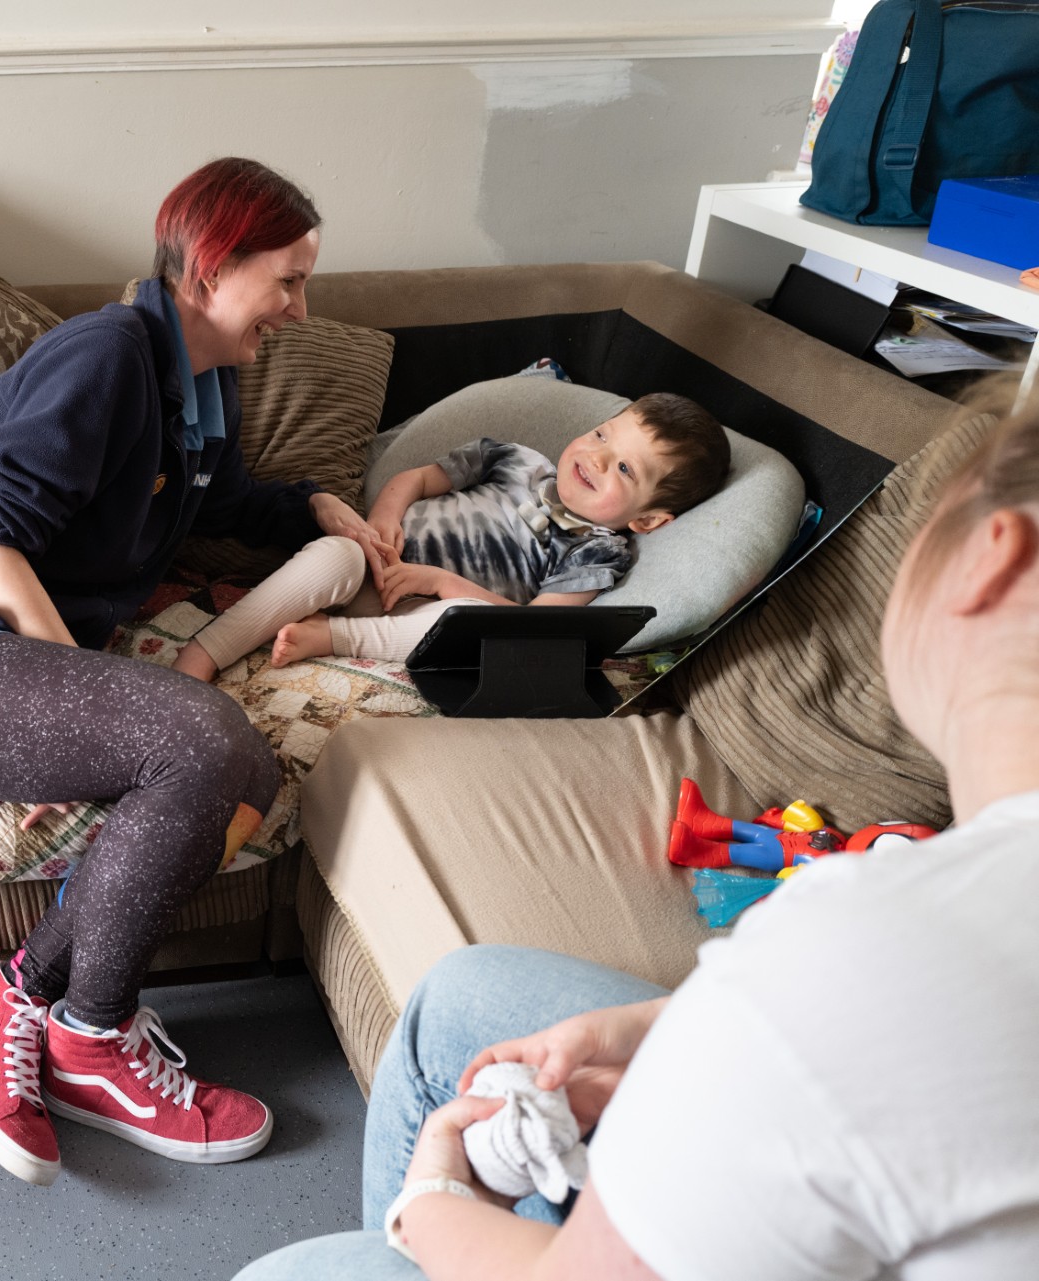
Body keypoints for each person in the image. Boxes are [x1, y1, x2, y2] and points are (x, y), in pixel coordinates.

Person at [232, 390, 1039, 1278]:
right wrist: (658, 1027)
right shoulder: (928, 913)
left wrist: (428, 1200)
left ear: (989, 561)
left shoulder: (858, 933)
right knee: (461, 993)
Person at [0, 158, 388, 1187]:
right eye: (289, 281)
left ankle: (17, 1002)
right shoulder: (106, 356)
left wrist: (312, 503)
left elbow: (213, 500)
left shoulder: (203, 378)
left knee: (248, 771)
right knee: (197, 742)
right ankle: (93, 1035)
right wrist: (77, 702)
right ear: (213, 267)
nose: (300, 310)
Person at [174, 395, 728, 678]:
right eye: (603, 434)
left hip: (421, 611)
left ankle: (335, 637)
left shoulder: (598, 551)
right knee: (337, 553)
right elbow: (415, 479)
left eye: (625, 469)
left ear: (648, 520)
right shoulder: (515, 459)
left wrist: (442, 583)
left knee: (462, 622)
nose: (597, 458)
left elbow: (536, 627)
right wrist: (384, 516)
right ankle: (206, 651)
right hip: (375, 560)